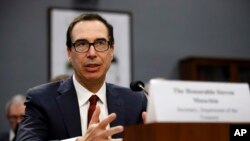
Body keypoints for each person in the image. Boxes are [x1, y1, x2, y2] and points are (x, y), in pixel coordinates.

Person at [16, 13, 147, 141]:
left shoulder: (134, 101)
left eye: (100, 43)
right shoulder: (42, 99)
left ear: (111, 50)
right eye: (82, 44)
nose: (92, 53)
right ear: (69, 52)